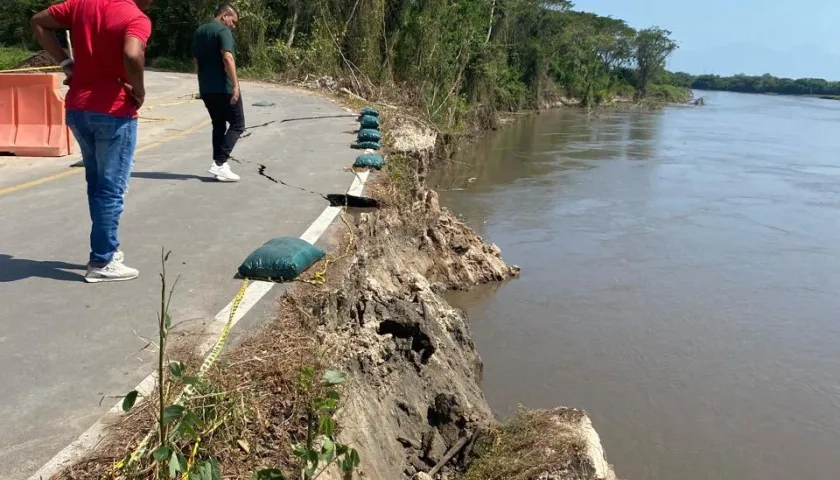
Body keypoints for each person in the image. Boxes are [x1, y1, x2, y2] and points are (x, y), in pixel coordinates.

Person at [31, 0, 152, 283]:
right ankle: (102, 259)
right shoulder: (136, 18)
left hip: (78, 110)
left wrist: (66, 63)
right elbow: (132, 55)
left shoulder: (82, 5)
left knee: (97, 184)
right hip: (113, 112)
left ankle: (107, 248)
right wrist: (140, 90)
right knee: (111, 189)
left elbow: (38, 21)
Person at [192, 4, 244, 182]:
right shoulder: (222, 31)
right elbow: (227, 57)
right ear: (224, 16)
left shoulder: (200, 31)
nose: (233, 26)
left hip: (207, 89)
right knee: (238, 124)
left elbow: (196, 61)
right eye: (233, 21)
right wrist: (235, 85)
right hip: (224, 89)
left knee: (219, 125)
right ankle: (220, 163)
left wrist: (202, 83)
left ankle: (219, 165)